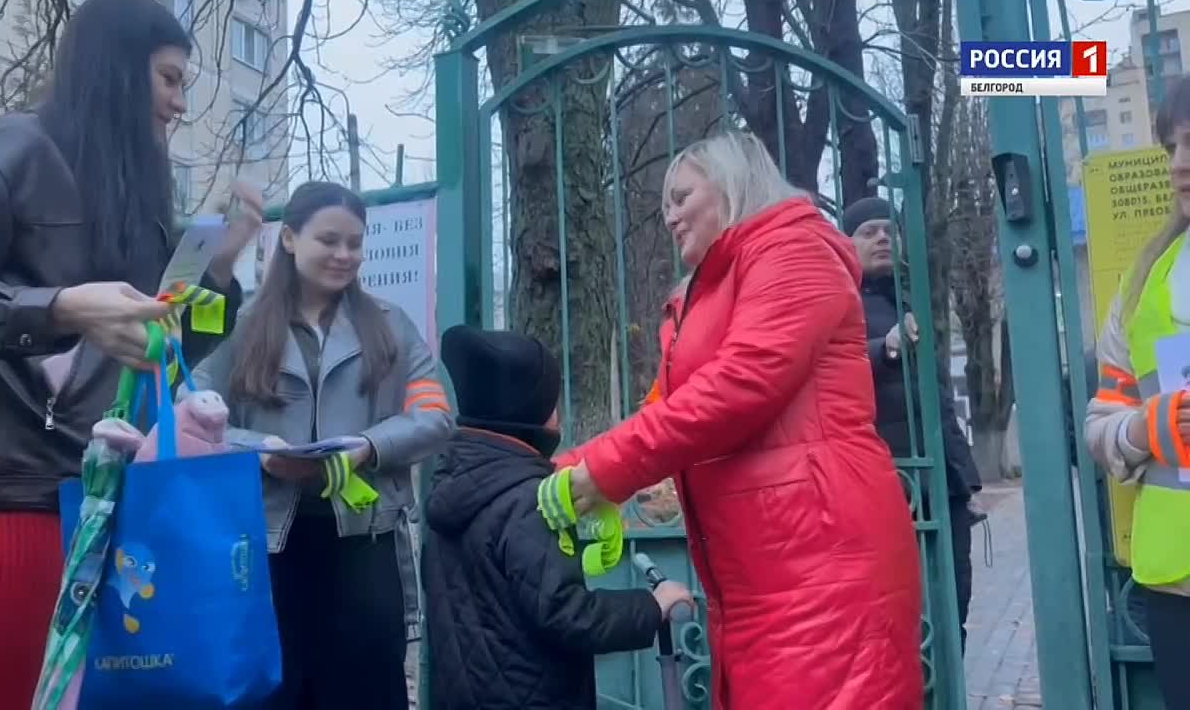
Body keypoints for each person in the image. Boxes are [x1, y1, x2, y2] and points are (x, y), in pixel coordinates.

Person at [0, 0, 260, 707]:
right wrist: (62, 307)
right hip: (6, 503)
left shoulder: (135, 187)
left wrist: (218, 269)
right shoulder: (8, 147)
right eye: (169, 79)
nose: (180, 104)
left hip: (111, 500)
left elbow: (155, 345)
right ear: (115, 71)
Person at [554, 131, 923, 709]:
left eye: (681, 197)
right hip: (768, 572)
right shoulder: (715, 286)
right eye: (664, 206)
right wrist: (563, 468)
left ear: (730, 183)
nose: (669, 216)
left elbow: (740, 385)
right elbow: (671, 407)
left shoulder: (793, 250)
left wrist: (597, 472)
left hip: (823, 564)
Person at [191, 180, 454, 710]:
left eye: (356, 243)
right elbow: (190, 411)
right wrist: (258, 449)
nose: (345, 255)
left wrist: (367, 445)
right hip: (265, 552)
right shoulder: (242, 329)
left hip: (366, 546)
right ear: (288, 238)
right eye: (329, 240)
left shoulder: (390, 325)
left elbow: (438, 415)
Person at [421, 325, 692, 710]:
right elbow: (566, 614)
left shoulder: (451, 486)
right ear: (533, 413)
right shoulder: (527, 501)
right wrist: (651, 606)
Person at [1085, 73, 1190, 707]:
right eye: (1171, 147)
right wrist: (1146, 429)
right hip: (1178, 581)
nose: (1180, 164)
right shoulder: (1145, 281)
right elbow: (1103, 419)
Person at [841, 195, 984, 652]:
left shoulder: (910, 295)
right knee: (900, 617)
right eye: (869, 231)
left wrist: (961, 474)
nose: (882, 237)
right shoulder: (836, 299)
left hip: (940, 483)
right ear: (845, 243)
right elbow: (831, 366)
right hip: (890, 483)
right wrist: (885, 346)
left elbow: (937, 399)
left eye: (889, 229)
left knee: (952, 607)